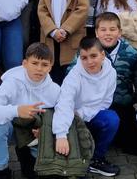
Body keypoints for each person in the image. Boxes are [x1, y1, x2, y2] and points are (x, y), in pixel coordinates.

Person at [0, 43, 61, 179]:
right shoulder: (12, 83)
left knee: (33, 173)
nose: (39, 69)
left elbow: (64, 115)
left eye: (44, 64)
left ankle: (26, 154)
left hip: (36, 135)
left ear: (51, 66)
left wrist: (47, 130)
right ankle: (2, 170)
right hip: (13, 130)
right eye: (35, 63)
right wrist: (17, 110)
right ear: (25, 63)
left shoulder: (55, 90)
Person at [71, 12, 137, 155]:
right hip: (93, 104)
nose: (108, 34)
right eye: (103, 30)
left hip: (121, 105)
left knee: (136, 147)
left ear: (120, 32)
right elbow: (70, 75)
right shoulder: (87, 51)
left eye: (112, 29)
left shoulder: (132, 54)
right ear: (96, 33)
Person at [53, 37, 121, 177]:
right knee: (76, 172)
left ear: (102, 55)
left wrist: (82, 113)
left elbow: (106, 102)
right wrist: (61, 135)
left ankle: (96, 160)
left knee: (112, 119)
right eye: (84, 58)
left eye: (93, 56)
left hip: (89, 114)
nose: (89, 62)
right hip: (72, 119)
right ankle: (77, 160)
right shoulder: (74, 76)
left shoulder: (111, 73)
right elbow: (64, 105)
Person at [37, 0, 89, 83]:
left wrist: (65, 29)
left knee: (71, 72)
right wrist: (52, 30)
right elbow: (42, 9)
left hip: (70, 34)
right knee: (52, 72)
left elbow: (82, 8)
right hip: (51, 35)